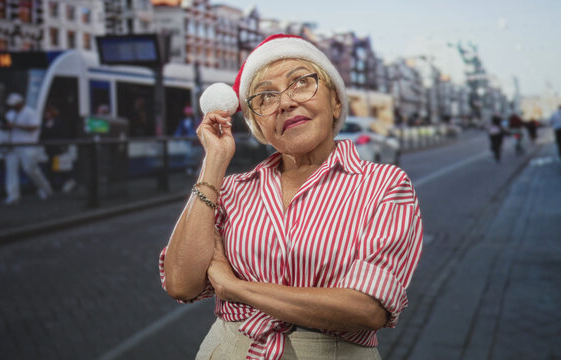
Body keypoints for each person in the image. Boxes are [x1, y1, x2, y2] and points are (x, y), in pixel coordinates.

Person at [159, 34, 424, 360]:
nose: (285, 102)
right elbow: (181, 284)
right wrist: (213, 164)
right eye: (266, 97)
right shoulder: (231, 191)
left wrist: (234, 287)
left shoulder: (385, 185)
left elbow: (367, 308)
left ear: (336, 101)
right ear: (258, 125)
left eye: (301, 82)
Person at [3, 93, 54, 205]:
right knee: (11, 171)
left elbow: (34, 127)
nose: (13, 107)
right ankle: (13, 195)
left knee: (30, 169)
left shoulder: (30, 113)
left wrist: (15, 125)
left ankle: (46, 189)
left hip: (28, 146)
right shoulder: (10, 114)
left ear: (20, 103)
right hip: (13, 146)